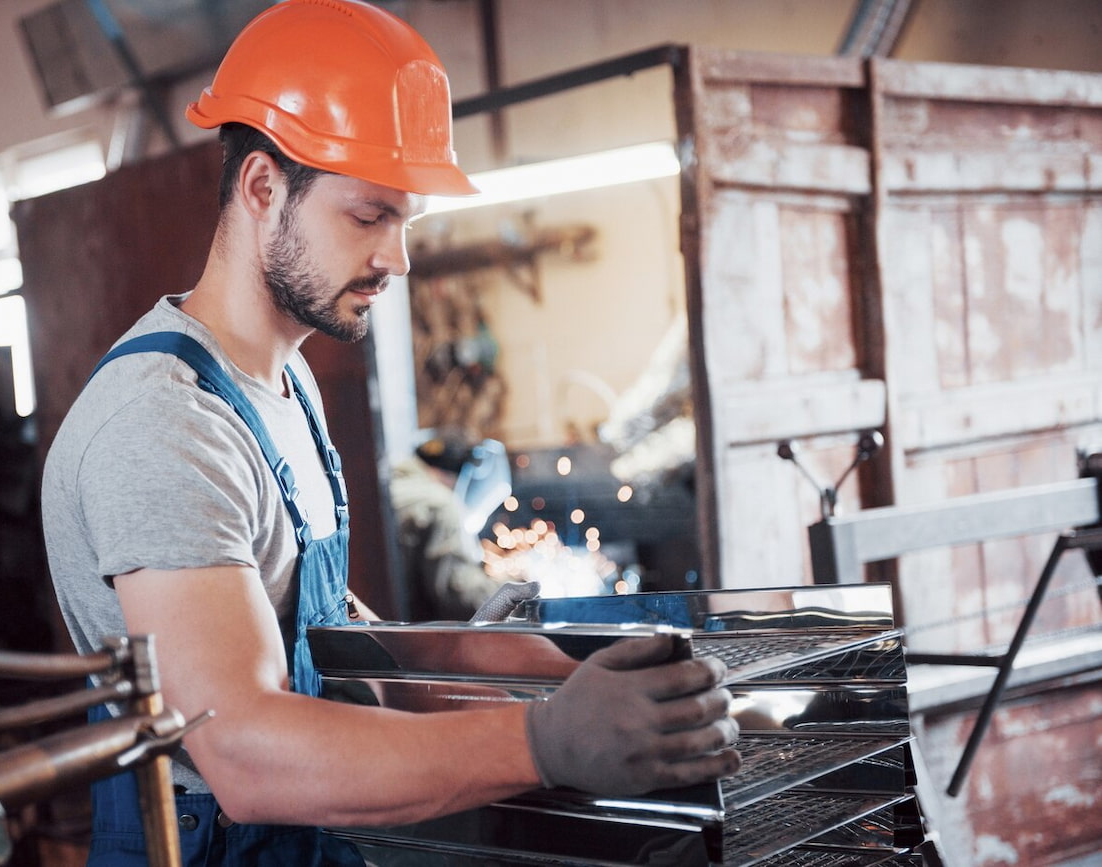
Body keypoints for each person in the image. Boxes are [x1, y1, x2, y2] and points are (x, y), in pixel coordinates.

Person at [40, 1, 741, 864]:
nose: (396, 259)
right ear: (262, 188)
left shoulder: (288, 383)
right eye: (368, 217)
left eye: (404, 221)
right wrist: (543, 739)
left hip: (314, 836)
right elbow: (245, 751)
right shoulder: (164, 423)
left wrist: (502, 665)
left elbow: (315, 626)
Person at [390, 432, 510, 620]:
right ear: (454, 474)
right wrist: (509, 592)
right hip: (408, 637)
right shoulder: (440, 504)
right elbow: (461, 598)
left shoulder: (393, 485)